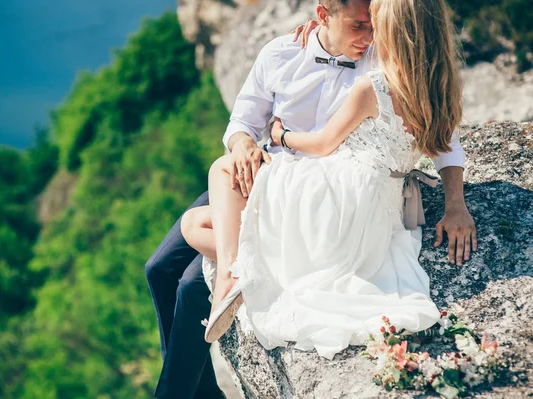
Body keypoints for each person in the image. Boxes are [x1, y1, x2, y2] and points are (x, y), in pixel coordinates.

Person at [145, 0, 476, 395]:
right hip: (265, 179)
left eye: (373, 25)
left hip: (325, 197)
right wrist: (243, 147)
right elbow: (242, 123)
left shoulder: (383, 57)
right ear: (322, 16)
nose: (369, 36)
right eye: (358, 26)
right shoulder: (281, 52)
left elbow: (443, 133)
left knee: (190, 285)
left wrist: (456, 203)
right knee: (159, 267)